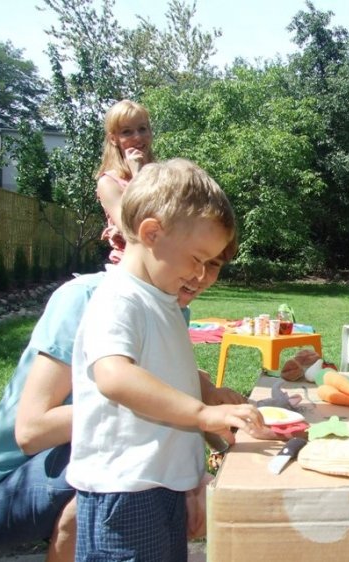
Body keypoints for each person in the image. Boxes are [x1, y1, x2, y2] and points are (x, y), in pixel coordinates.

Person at [0, 237, 240, 561]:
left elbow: (161, 379)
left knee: (200, 493)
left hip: (69, 465)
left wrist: (205, 395)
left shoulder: (171, 303)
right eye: (194, 257)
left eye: (213, 263)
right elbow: (32, 430)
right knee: (118, 478)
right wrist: (179, 416)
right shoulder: (89, 298)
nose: (200, 274)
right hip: (4, 485)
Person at [67, 158, 266, 561]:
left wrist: (192, 472)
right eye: (197, 258)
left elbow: (160, 371)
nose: (200, 274)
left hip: (157, 487)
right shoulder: (119, 297)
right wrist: (200, 414)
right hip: (125, 493)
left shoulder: (161, 300)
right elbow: (114, 376)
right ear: (152, 233)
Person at [96, 99, 155, 264]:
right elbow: (132, 231)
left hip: (165, 267)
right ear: (113, 139)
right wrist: (137, 174)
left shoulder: (162, 175)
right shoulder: (108, 182)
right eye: (127, 132)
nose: (138, 137)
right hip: (131, 269)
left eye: (143, 129)